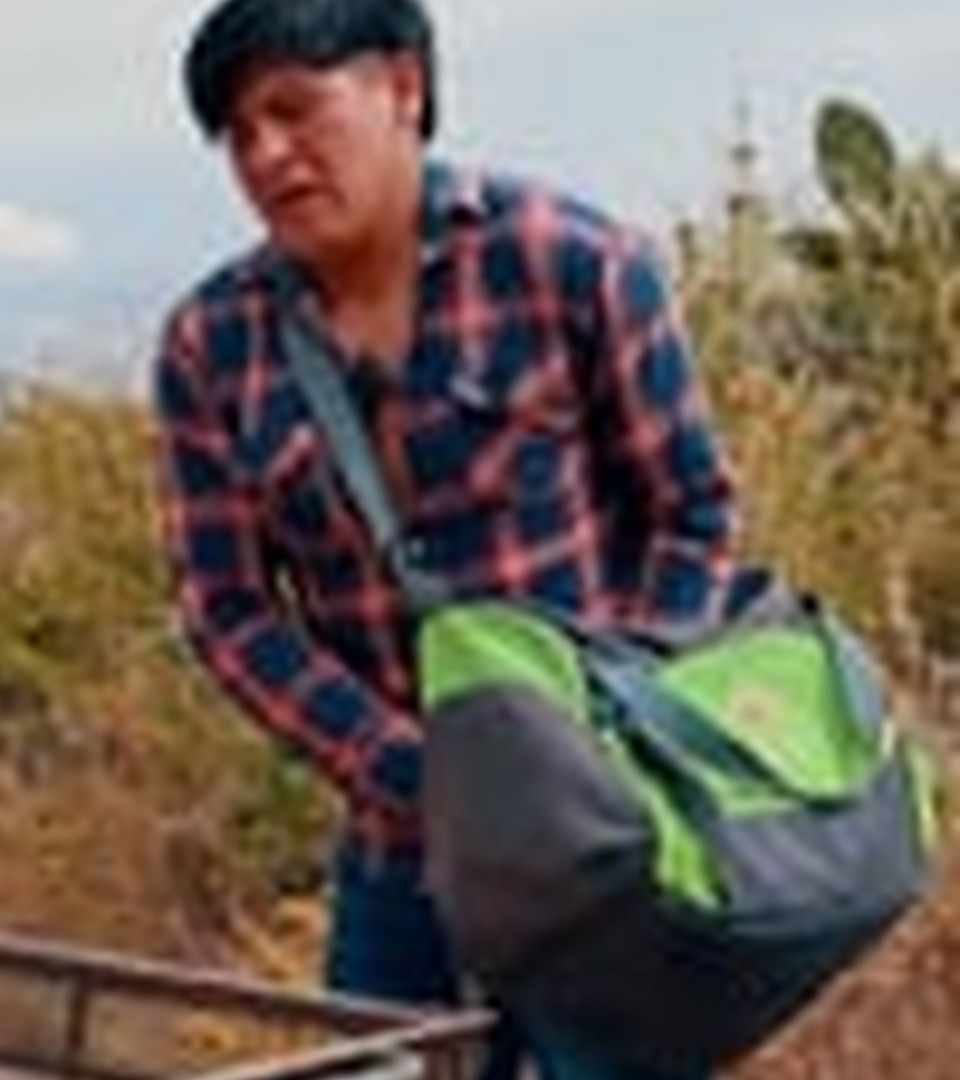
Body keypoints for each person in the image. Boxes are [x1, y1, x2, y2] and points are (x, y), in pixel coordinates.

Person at [150, 1, 743, 1077]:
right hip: (400, 860)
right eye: (238, 134)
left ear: (403, 87)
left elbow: (690, 511)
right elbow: (225, 610)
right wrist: (409, 769)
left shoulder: (575, 262)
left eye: (294, 109)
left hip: (604, 855)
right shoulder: (211, 343)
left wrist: (611, 744)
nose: (267, 154)